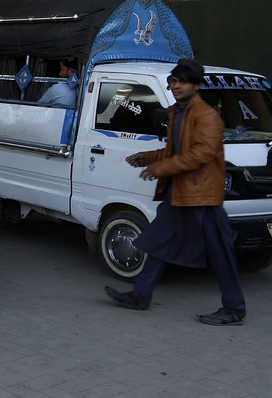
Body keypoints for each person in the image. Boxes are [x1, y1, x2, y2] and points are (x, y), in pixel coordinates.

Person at [104, 57, 246, 326]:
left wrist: (162, 168)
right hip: (179, 192)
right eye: (173, 81)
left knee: (221, 252)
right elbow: (175, 151)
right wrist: (148, 157)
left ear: (197, 85)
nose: (176, 86)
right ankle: (141, 295)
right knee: (158, 243)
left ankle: (235, 308)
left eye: (182, 82)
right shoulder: (177, 112)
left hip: (201, 195)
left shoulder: (207, 116)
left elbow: (201, 154)